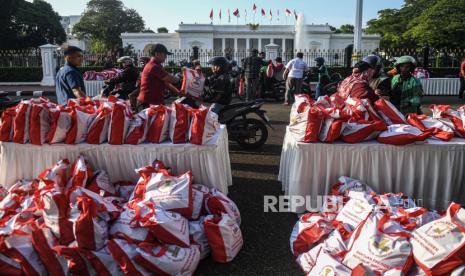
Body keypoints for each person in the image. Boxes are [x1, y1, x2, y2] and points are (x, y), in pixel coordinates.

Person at [137, 44, 179, 111]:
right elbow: (170, 79)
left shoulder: (157, 65)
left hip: (154, 102)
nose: (166, 57)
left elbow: (166, 82)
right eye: (164, 54)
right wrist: (180, 79)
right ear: (157, 54)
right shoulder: (154, 66)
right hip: (148, 104)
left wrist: (178, 92)